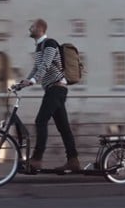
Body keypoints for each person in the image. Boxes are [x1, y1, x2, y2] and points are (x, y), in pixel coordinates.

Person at [18, 18, 80, 172]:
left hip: (56, 88)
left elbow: (45, 65)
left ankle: (37, 159)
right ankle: (73, 161)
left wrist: (32, 81)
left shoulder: (50, 44)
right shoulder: (39, 47)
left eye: (32, 27)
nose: (29, 29)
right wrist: (23, 83)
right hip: (53, 89)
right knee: (63, 127)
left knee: (40, 121)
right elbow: (36, 67)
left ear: (40, 29)